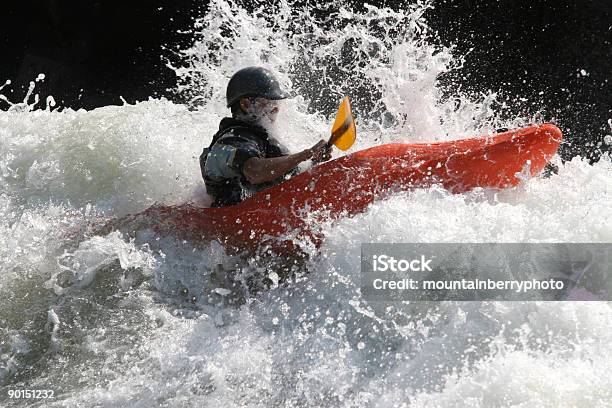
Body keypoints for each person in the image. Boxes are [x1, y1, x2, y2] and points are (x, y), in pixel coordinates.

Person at [200, 66, 332, 207]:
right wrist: (305, 154)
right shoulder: (231, 141)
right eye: (269, 101)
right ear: (245, 104)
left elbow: (289, 178)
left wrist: (313, 161)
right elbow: (254, 172)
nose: (276, 108)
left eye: (277, 102)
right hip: (230, 222)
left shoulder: (264, 138)